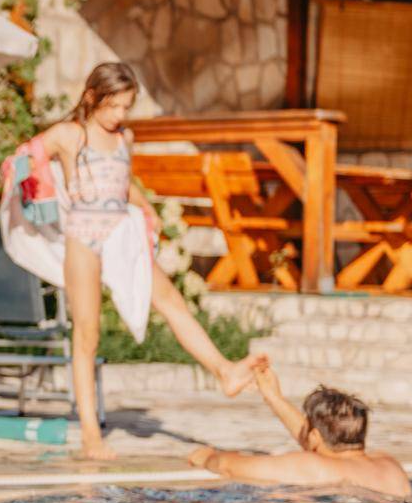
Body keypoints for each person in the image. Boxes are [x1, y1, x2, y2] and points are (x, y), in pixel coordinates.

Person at [33, 63, 264, 460]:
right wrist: (55, 181)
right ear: (92, 98)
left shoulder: (125, 138)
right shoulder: (71, 134)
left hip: (121, 233)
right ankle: (91, 434)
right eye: (114, 106)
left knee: (171, 301)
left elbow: (126, 183)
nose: (120, 115)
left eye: (126, 107)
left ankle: (225, 372)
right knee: (87, 332)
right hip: (83, 235)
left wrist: (147, 208)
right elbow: (24, 159)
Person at [188, 367, 411, 496]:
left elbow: (228, 466)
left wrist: (206, 456)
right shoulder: (390, 465)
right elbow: (317, 441)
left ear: (314, 437)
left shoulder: (311, 466)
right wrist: (273, 397)